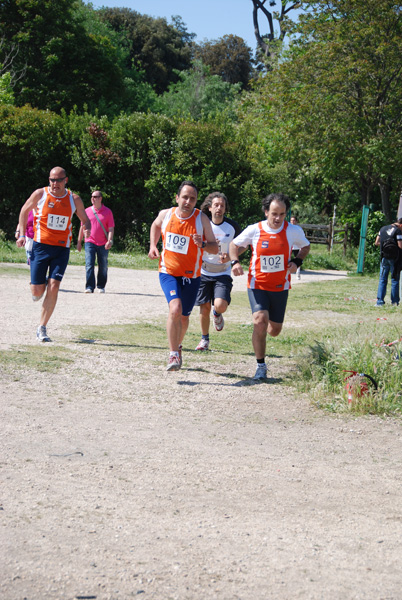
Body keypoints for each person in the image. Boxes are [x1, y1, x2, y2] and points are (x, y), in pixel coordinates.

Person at [229, 192, 310, 380]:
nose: (278, 218)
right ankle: (261, 365)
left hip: (280, 287)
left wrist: (297, 262)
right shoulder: (255, 229)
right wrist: (235, 262)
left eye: (282, 214)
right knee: (259, 321)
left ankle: (263, 331)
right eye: (274, 213)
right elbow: (234, 245)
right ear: (266, 212)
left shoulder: (292, 231)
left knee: (274, 331)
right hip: (257, 285)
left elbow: (305, 246)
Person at [148, 180, 218, 371]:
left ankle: (178, 347)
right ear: (177, 197)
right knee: (175, 309)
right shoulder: (166, 214)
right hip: (168, 271)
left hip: (192, 276)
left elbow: (214, 247)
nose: (188, 201)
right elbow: (155, 226)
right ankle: (172, 355)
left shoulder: (201, 219)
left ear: (196, 201)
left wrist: (202, 244)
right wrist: (153, 246)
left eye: (192, 198)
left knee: (185, 317)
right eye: (185, 197)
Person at [16, 166, 91, 342]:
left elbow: (85, 220)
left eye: (58, 180)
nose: (54, 183)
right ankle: (37, 283)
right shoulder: (40, 194)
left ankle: (42, 327)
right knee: (37, 291)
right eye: (52, 180)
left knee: (55, 285)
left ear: (66, 180)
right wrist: (21, 234)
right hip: (40, 247)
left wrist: (87, 229)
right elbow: (23, 211)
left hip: (61, 249)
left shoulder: (74, 199)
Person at [194, 192, 241, 351]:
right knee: (203, 307)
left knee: (220, 305)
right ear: (210, 207)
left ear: (225, 208)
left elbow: (243, 244)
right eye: (216, 205)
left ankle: (217, 313)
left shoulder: (232, 226)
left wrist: (231, 256)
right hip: (204, 271)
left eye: (222, 205)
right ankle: (204, 339)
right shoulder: (202, 224)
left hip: (222, 273)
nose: (219, 208)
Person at [77, 190, 115, 293]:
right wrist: (79, 242)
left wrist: (110, 240)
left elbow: (111, 228)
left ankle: (101, 286)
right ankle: (89, 286)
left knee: (103, 265)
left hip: (103, 243)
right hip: (90, 242)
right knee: (89, 264)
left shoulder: (108, 212)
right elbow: (82, 227)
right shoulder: (87, 211)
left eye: (95, 196)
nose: (93, 198)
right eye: (92, 196)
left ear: (100, 198)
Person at [375, 218, 402, 306]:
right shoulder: (398, 231)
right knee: (394, 280)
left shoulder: (382, 229)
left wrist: (385, 244)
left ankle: (379, 302)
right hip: (395, 259)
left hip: (384, 257)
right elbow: (400, 246)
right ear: (401, 225)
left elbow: (377, 242)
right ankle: (394, 302)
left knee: (382, 279)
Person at [290, 215, 302, 280]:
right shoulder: (288, 228)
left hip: (296, 246)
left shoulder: (299, 229)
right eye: (291, 220)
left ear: (296, 221)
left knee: (297, 259)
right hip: (290, 246)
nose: (292, 222)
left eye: (294, 220)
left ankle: (298, 274)